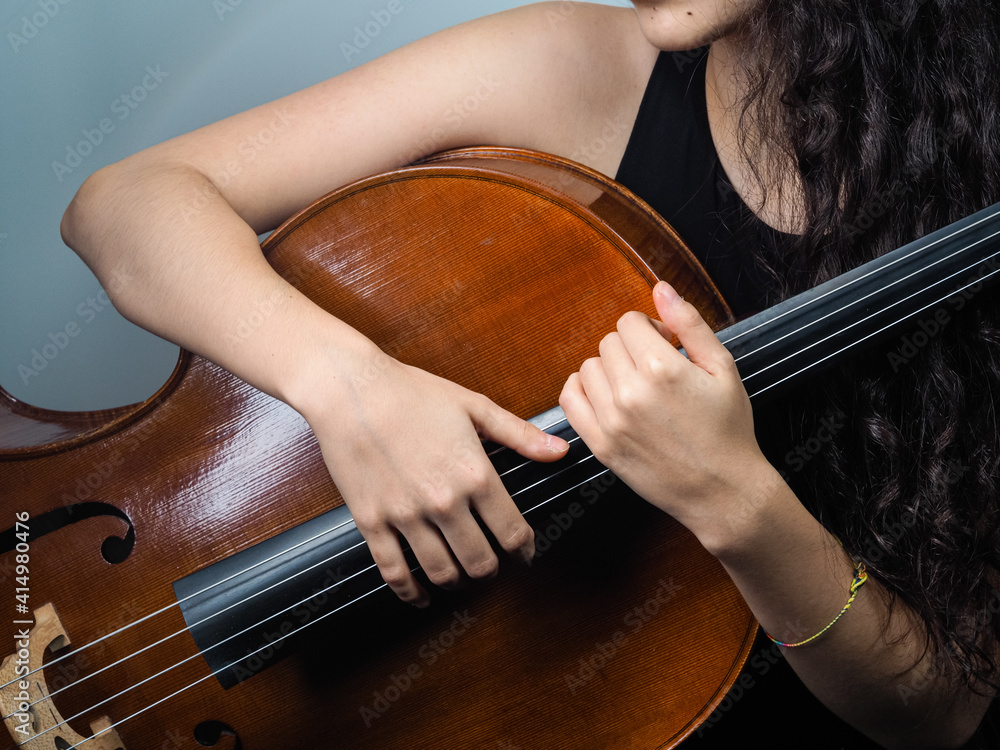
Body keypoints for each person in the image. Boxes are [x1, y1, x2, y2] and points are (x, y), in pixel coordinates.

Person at [59, 1, 1000, 746]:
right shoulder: (581, 64)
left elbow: (943, 713)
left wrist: (737, 501)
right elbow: (124, 204)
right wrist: (350, 385)